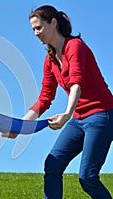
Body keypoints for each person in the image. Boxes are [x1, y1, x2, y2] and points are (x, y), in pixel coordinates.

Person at [6, 5, 113, 199]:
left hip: (101, 115)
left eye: (38, 27)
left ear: (53, 23)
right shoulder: (50, 60)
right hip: (79, 118)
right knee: (52, 165)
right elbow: (45, 98)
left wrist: (66, 114)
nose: (36, 33)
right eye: (33, 30)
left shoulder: (75, 46)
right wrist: (21, 126)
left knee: (87, 177)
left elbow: (76, 83)